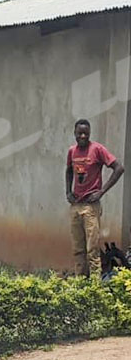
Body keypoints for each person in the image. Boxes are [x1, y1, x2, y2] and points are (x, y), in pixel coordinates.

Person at [66, 119, 124, 277]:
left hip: (91, 207)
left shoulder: (97, 149)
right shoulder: (72, 151)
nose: (83, 136)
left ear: (90, 134)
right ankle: (80, 283)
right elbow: (69, 171)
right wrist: (68, 192)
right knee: (78, 249)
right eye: (80, 133)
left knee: (92, 250)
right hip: (76, 205)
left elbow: (119, 168)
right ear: (75, 134)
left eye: (86, 133)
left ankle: (94, 289)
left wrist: (101, 191)